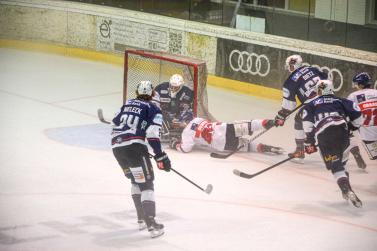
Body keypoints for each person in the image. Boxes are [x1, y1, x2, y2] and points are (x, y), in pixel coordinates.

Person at [111, 80, 171, 238]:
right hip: (135, 148)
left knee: (136, 181)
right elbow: (152, 134)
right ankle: (152, 224)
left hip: (117, 148)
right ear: (152, 95)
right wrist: (160, 155)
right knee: (147, 184)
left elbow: (114, 122)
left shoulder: (126, 104)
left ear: (137, 93)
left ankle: (141, 220)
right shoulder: (154, 108)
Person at [302, 80, 364, 208]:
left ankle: (346, 189)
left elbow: (307, 125)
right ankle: (347, 189)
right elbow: (359, 116)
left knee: (336, 166)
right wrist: (352, 126)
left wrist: (310, 142)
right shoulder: (340, 101)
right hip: (343, 133)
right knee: (342, 162)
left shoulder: (311, 104)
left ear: (319, 91)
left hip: (325, 134)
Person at [275, 55, 328, 163]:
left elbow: (289, 106)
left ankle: (300, 151)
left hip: (312, 105)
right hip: (328, 100)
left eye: (289, 66)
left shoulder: (290, 81)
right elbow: (326, 80)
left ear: (292, 66)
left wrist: (282, 115)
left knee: (299, 120)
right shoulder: (312, 69)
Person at [169, 110, 284, 155]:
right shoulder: (198, 119)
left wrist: (175, 145)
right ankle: (271, 122)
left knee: (246, 146)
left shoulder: (186, 133)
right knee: (250, 125)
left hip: (222, 144)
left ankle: (264, 148)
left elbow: (186, 148)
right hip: (226, 128)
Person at [347, 72, 377, 160]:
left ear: (360, 84)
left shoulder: (353, 96)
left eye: (356, 84)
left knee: (374, 158)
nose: (355, 86)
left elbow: (347, 113)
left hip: (368, 135)